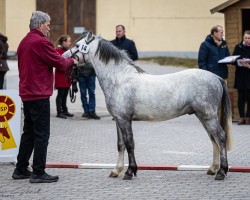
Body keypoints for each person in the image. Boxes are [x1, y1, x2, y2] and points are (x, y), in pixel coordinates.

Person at [12, 11, 78, 183]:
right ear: (40, 25)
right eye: (48, 25)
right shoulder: (41, 42)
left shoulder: (24, 41)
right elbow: (60, 63)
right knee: (42, 134)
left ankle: (20, 169)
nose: (49, 29)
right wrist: (72, 61)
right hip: (39, 94)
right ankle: (38, 172)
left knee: (29, 133)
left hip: (27, 94)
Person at [232, 30, 250, 125]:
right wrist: (240, 62)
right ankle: (241, 117)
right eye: (245, 38)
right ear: (243, 38)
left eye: (249, 38)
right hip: (241, 75)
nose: (247, 40)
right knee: (241, 97)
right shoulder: (238, 47)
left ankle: (248, 117)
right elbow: (234, 59)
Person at [54, 35, 74, 119]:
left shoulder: (68, 51)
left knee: (65, 94)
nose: (70, 43)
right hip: (61, 76)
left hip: (67, 76)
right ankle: (59, 112)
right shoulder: (58, 51)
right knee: (60, 94)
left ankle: (65, 110)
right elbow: (59, 64)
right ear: (63, 42)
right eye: (68, 41)